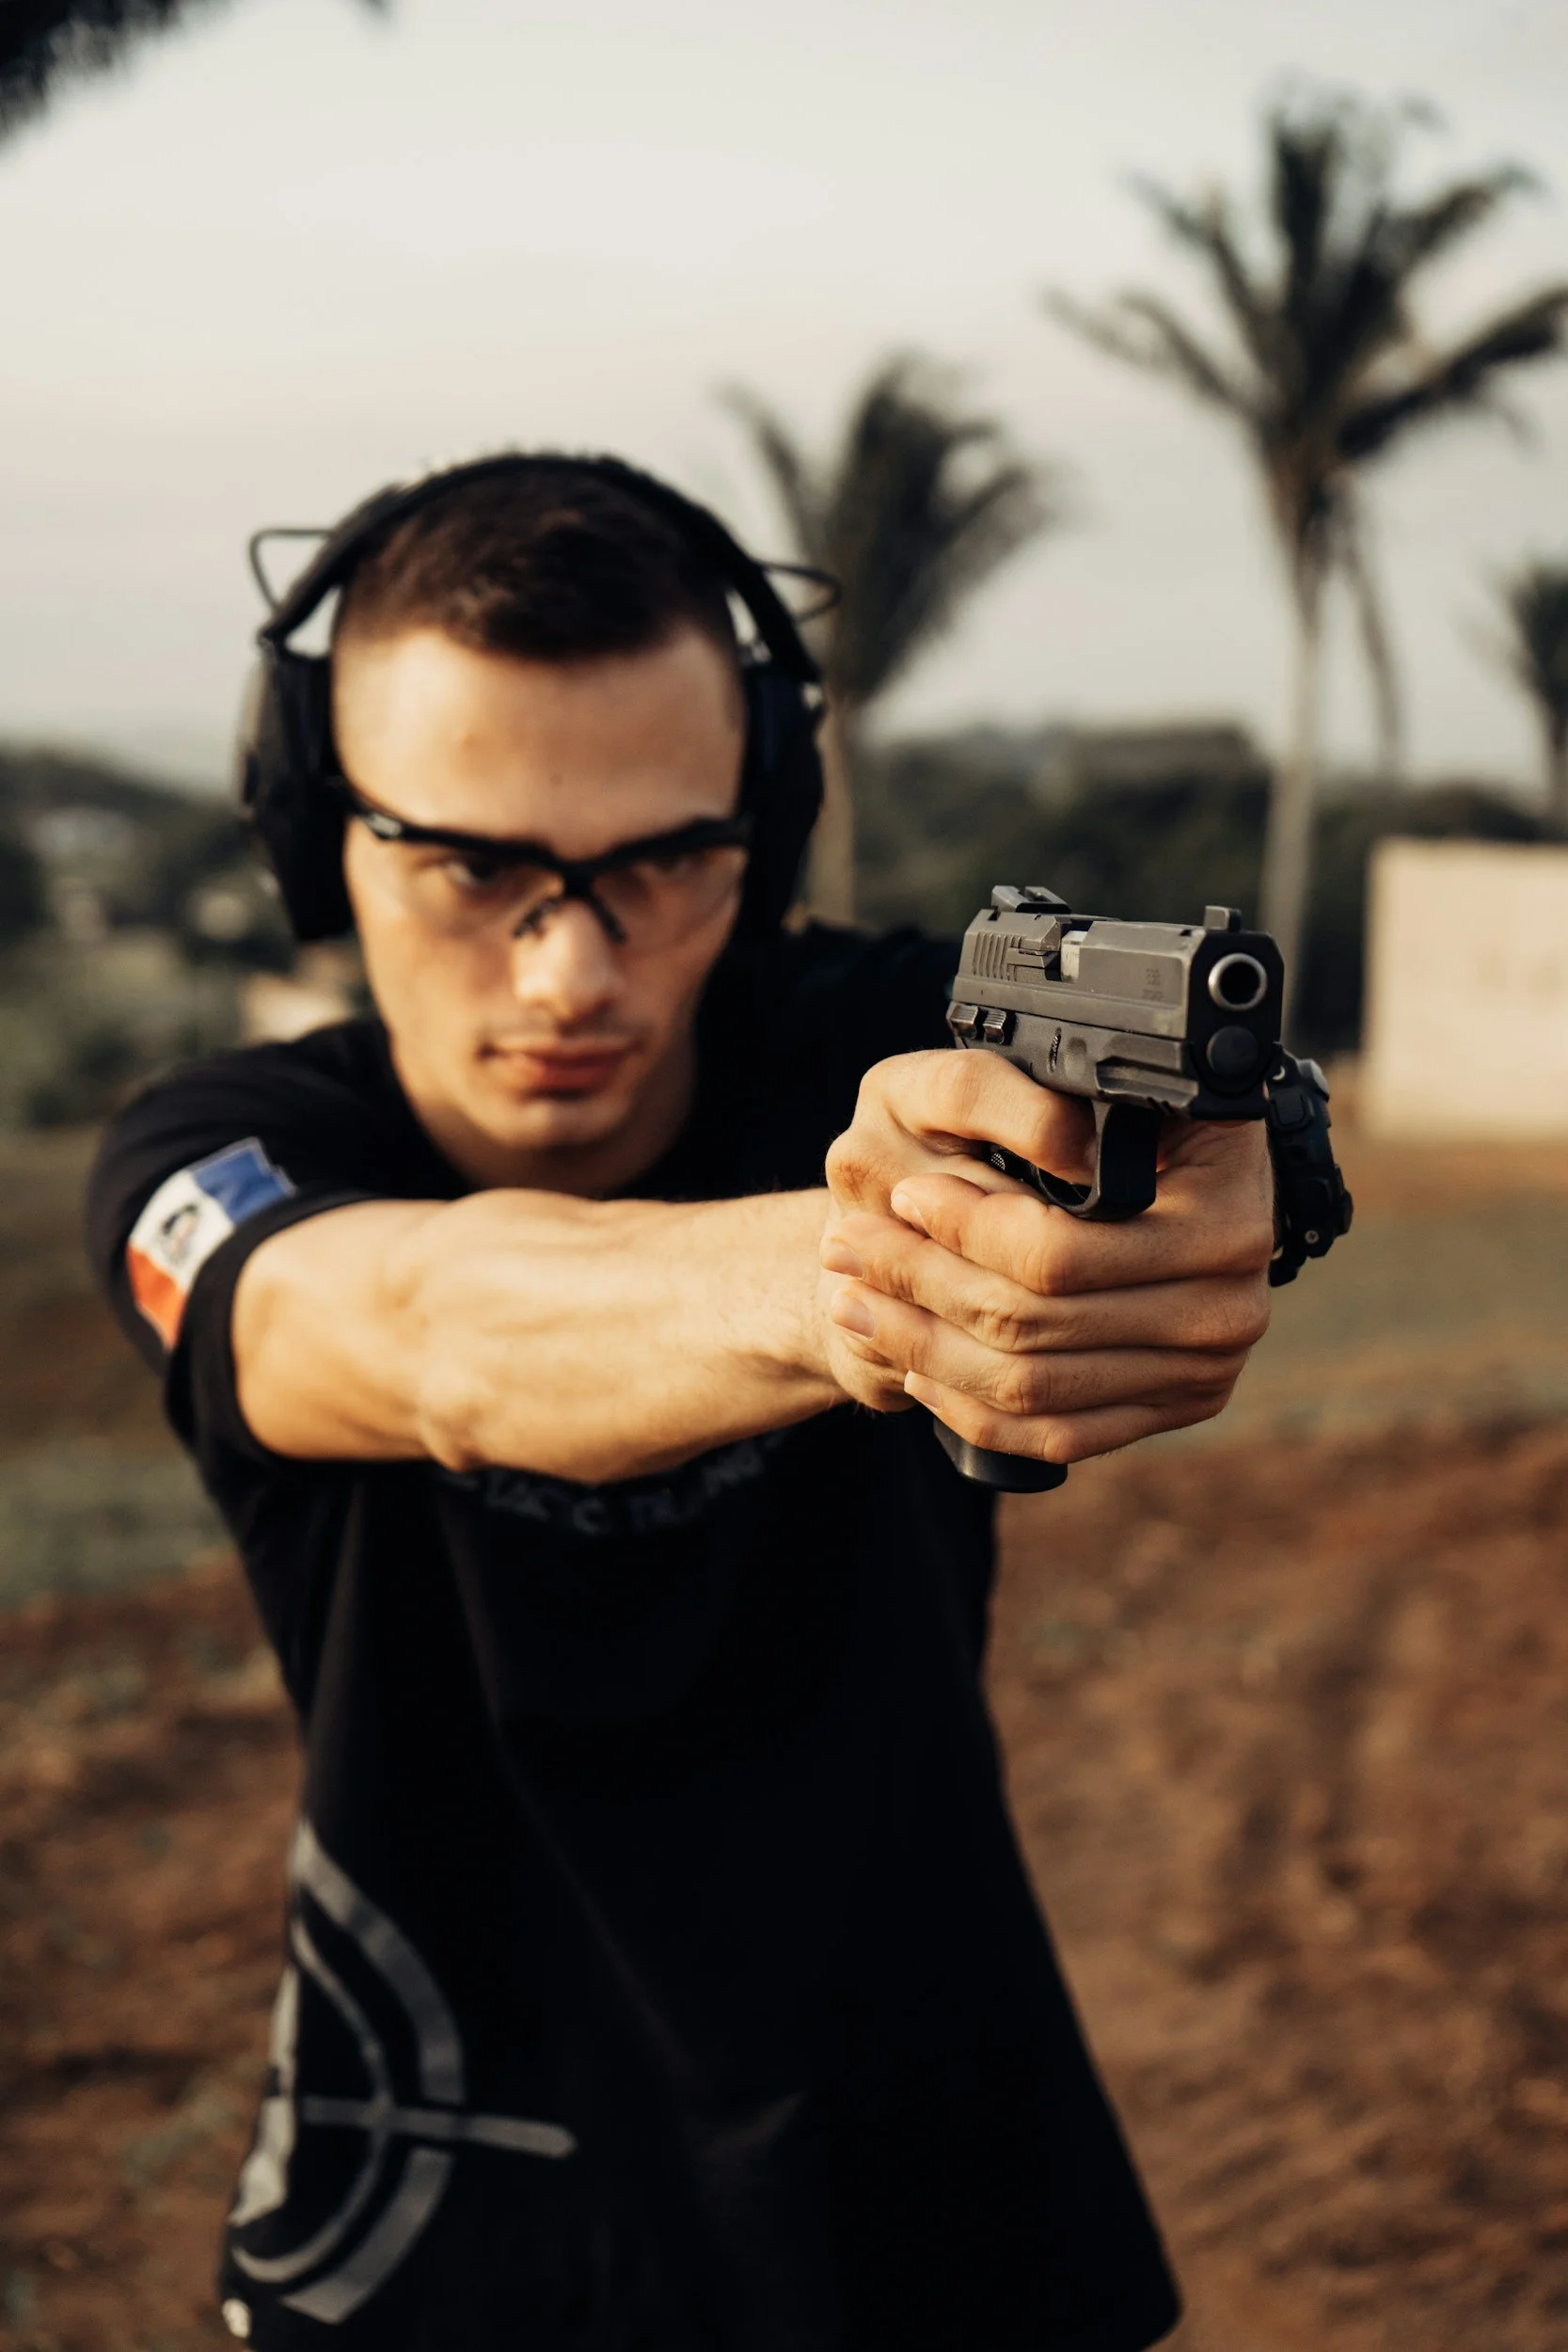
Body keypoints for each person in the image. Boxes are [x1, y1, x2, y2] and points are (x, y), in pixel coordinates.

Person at [87, 454, 1273, 2352]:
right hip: (438, 2215)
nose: (574, 965)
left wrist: (1222, 1170)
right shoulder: (223, 1150)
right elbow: (423, 1328)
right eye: (474, 866)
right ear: (320, 840)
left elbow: (1172, 1111)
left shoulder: (875, 1026)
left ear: (766, 822)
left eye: (659, 859)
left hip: (929, 2190)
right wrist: (875, 1274)